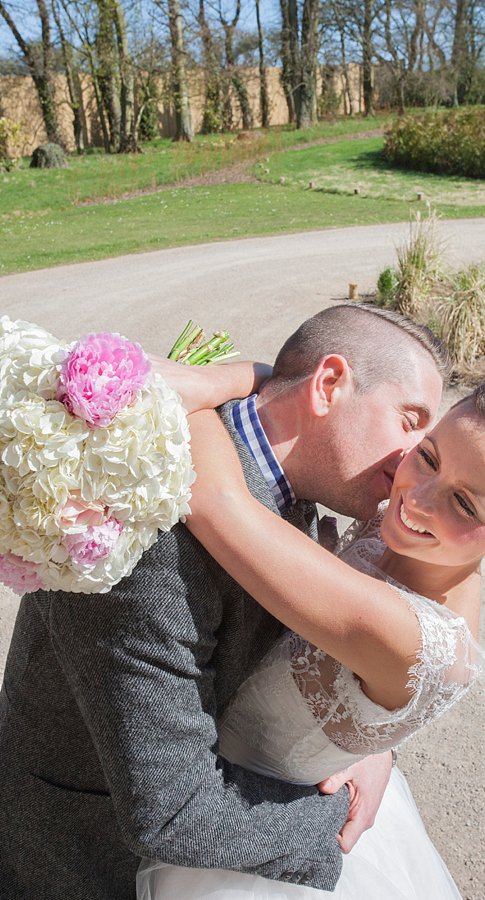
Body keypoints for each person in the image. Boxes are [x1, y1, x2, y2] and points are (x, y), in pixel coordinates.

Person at [0, 304, 449, 900]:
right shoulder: (151, 520)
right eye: (409, 420)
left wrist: (363, 748)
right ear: (330, 384)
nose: (416, 460)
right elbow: (173, 814)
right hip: (90, 858)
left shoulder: (289, 477)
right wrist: (355, 817)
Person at [135, 373, 485, 900]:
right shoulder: (408, 529)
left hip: (243, 839)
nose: (418, 498)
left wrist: (180, 380)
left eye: (465, 504)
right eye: (428, 455)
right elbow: (315, 381)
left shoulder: (412, 637)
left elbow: (215, 498)